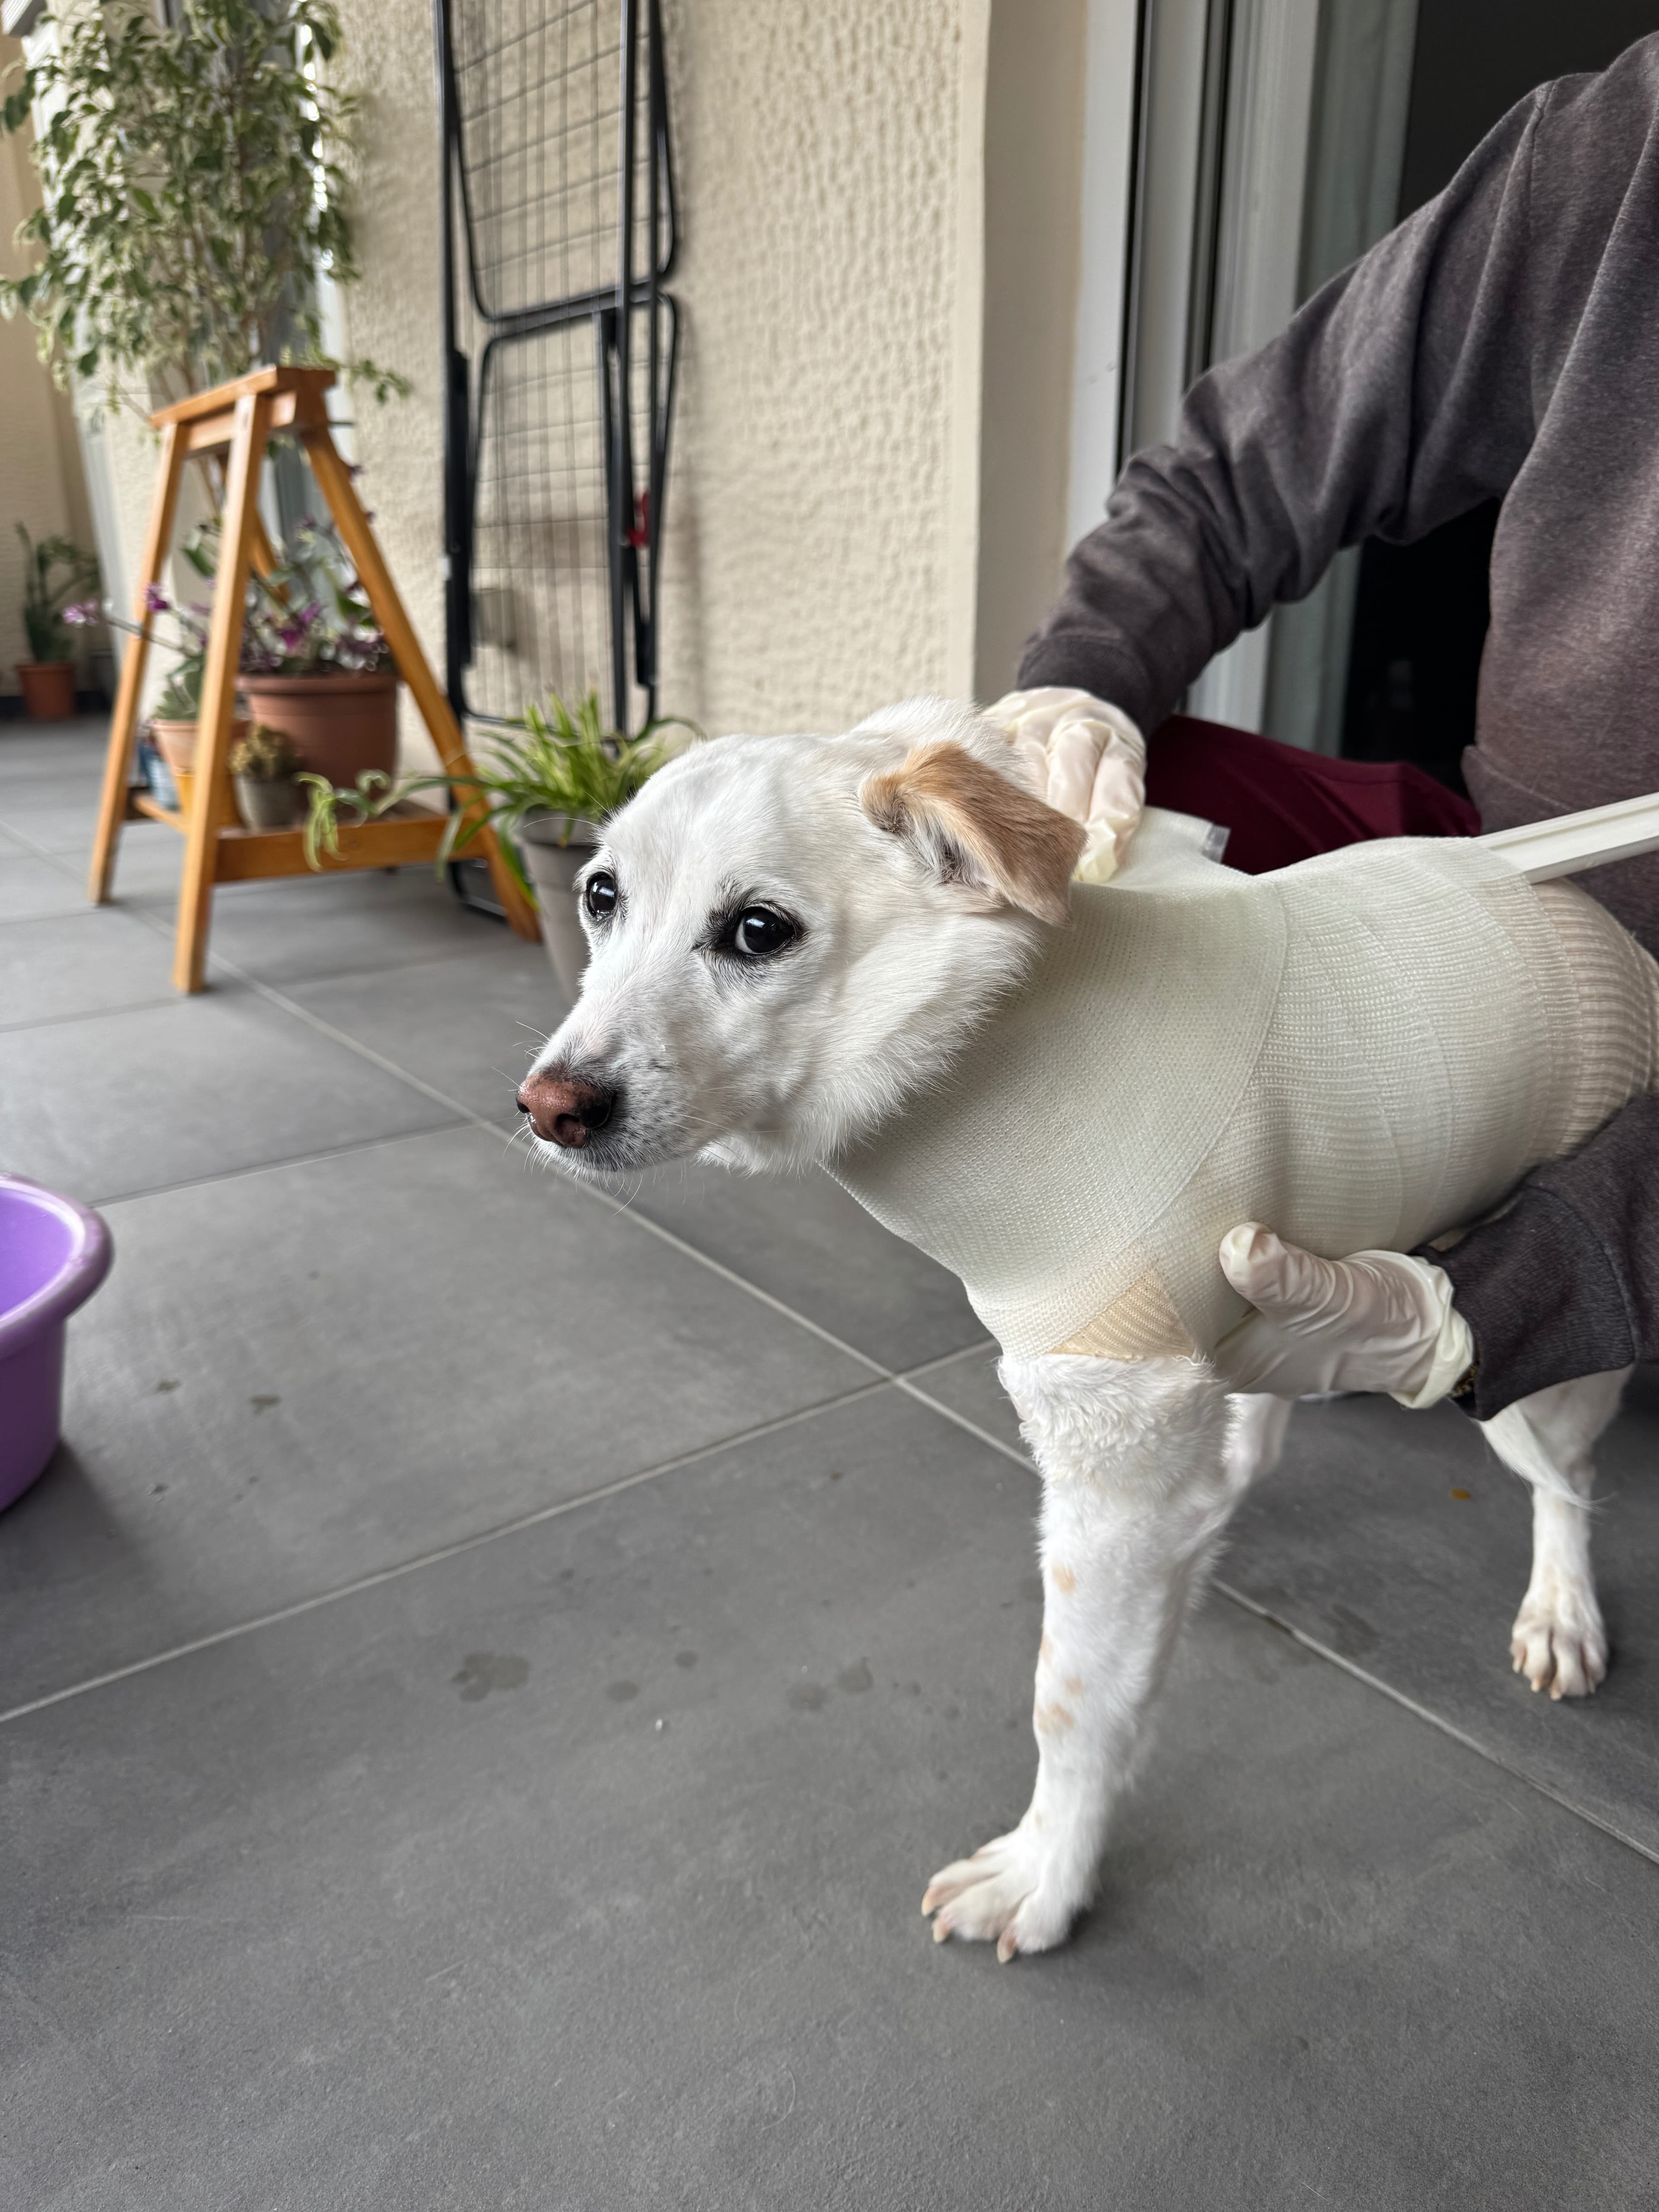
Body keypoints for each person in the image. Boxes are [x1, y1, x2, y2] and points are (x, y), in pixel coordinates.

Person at [1007, 35, 1659, 1418]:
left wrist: (1487, 1306)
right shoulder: (1620, 159)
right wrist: (1077, 685)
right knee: (1073, 823)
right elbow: (1228, 479)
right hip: (1508, 866)